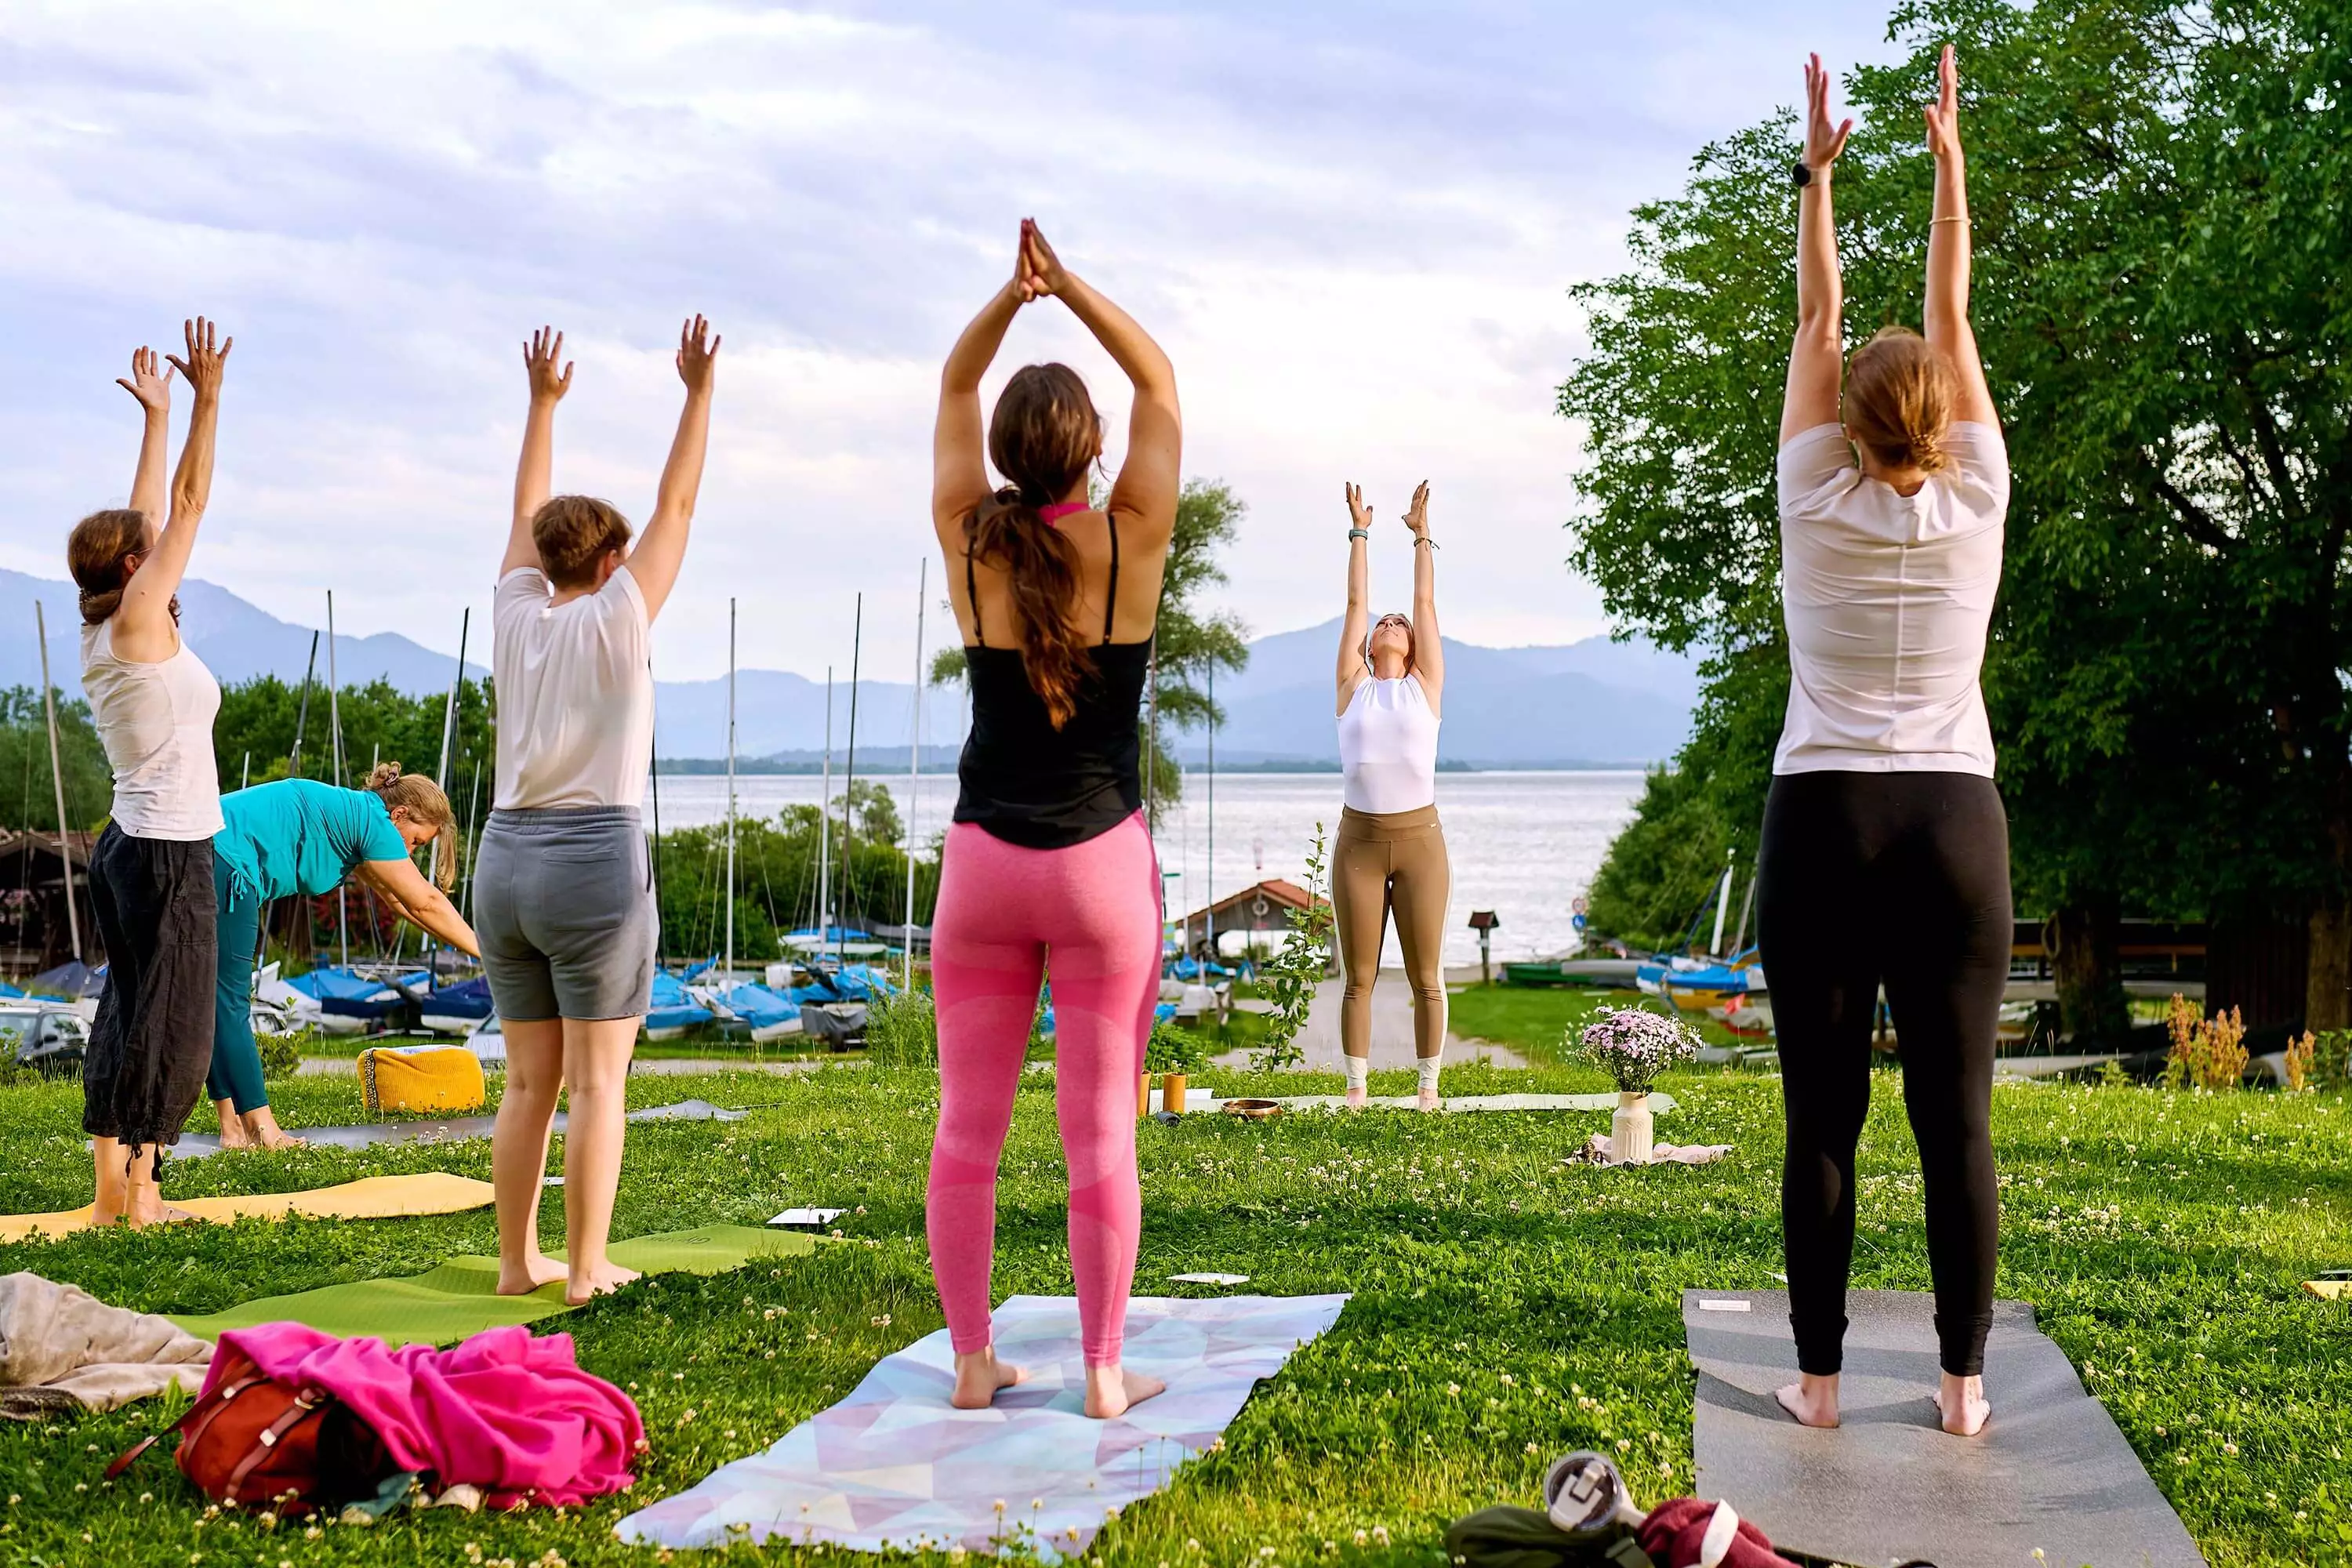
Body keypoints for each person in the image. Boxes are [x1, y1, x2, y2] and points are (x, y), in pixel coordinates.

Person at [1761, 48, 2009, 1439]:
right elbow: (1951, 315)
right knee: (1955, 1120)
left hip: (1825, 820)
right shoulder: (1977, 500)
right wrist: (1949, 169)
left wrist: (1820, 173)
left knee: (1823, 1122)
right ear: (1939, 426)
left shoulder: (1812, 494)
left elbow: (1818, 315)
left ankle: (1818, 1383)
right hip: (1954, 825)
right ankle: (1964, 1389)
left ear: (1849, 429)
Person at [926, 220, 1180, 1420]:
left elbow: (957, 380)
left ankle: (973, 1362)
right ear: (1088, 455)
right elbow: (1158, 382)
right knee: (1099, 1138)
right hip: (1098, 872)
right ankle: (1101, 1370)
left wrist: (1007, 297)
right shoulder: (1131, 540)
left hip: (983, 871)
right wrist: (1068, 286)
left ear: (1007, 457)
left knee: (968, 1130)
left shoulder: (972, 540)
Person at [478, 317, 717, 1306]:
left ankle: (513, 1263)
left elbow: (526, 510)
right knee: (599, 1083)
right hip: (592, 863)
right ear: (612, 561)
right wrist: (698, 392)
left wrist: (540, 405)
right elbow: (681, 501)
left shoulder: (510, 610)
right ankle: (583, 1269)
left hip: (502, 862)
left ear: (543, 564)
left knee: (528, 1083)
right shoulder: (621, 612)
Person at [67, 323, 231, 1227]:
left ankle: (113, 1191)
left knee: (128, 1011)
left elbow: (149, 512)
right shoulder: (135, 620)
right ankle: (140, 1198)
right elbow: (188, 502)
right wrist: (208, 399)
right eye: (150, 547)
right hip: (168, 849)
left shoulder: (110, 621)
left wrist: (156, 415)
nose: (164, 542)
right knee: (172, 1023)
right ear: (136, 570)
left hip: (131, 843)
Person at [207, 765, 481, 1149]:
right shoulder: (374, 823)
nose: (411, 852)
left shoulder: (357, 820)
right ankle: (263, 1131)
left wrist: (467, 947)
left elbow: (403, 904)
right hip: (226, 863)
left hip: (210, 852)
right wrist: (491, 954)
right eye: (416, 841)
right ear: (399, 814)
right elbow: (427, 903)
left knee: (213, 1002)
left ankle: (233, 1128)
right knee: (229, 1002)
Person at [1331, 480, 1450, 1111]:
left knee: (1426, 977)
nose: (1394, 622)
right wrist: (1360, 531)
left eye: (1400, 623)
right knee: (1360, 978)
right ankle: (1357, 1089)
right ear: (1371, 644)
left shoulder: (1424, 687)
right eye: (1385, 622)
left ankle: (1427, 1090)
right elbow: (1357, 599)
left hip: (1420, 843)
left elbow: (1424, 601)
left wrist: (1420, 533)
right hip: (1360, 844)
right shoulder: (1353, 684)